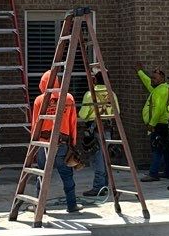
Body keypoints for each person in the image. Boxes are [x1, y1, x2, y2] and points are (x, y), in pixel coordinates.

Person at [31, 68, 80, 213]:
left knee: (42, 175)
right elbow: (73, 122)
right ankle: (72, 205)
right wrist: (73, 143)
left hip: (44, 143)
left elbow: (35, 124)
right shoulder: (69, 98)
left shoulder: (40, 100)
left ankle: (40, 207)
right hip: (63, 144)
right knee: (67, 175)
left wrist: (34, 144)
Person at [80, 75, 121, 198]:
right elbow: (117, 112)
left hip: (95, 130)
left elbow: (83, 114)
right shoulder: (111, 93)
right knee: (105, 159)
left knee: (98, 159)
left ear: (95, 80)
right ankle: (104, 186)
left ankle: (98, 187)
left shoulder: (90, 94)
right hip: (108, 129)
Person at [136, 66, 169, 180]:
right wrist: (140, 72)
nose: (152, 80)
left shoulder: (160, 91)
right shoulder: (161, 88)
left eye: (155, 78)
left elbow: (158, 110)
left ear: (162, 78)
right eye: (152, 78)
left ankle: (153, 174)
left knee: (157, 149)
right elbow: (148, 83)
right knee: (166, 149)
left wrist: (152, 124)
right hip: (165, 124)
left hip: (159, 124)